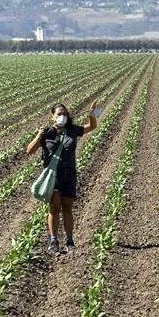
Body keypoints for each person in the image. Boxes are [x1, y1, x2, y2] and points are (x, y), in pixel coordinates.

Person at [27, 100, 99, 254]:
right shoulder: (47, 132)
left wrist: (92, 113)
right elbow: (30, 150)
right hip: (53, 176)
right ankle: (53, 242)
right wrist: (39, 135)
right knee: (54, 208)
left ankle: (70, 241)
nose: (63, 117)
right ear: (52, 116)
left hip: (69, 174)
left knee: (67, 208)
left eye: (65, 114)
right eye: (59, 114)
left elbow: (91, 127)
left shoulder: (72, 130)